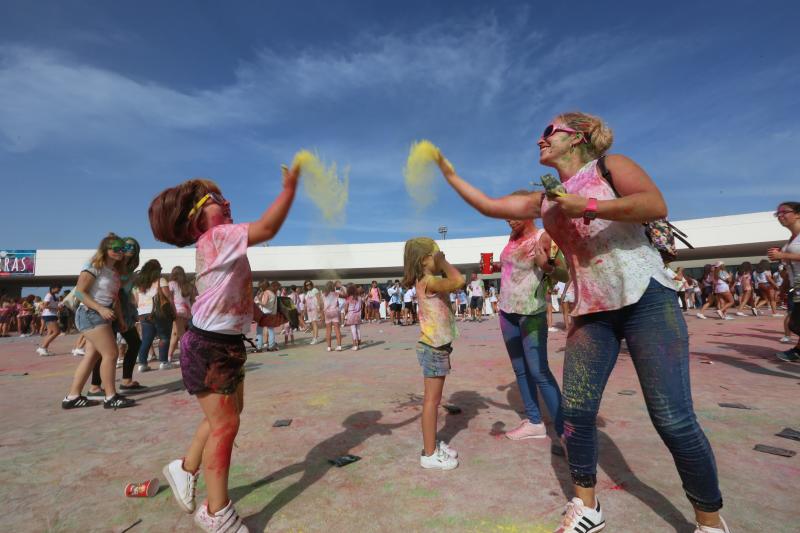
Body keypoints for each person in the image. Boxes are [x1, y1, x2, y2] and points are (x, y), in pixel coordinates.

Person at [435, 111, 729, 533]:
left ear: (577, 138)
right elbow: (488, 205)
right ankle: (587, 507)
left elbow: (653, 203)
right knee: (574, 413)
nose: (540, 140)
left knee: (672, 418)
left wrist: (585, 204)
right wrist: (449, 173)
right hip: (591, 310)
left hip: (647, 298)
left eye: (548, 132)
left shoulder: (610, 166)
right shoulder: (545, 199)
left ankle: (710, 522)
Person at [151, 165, 298, 532]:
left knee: (226, 417)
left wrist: (261, 317)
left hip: (225, 343)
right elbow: (267, 228)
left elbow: (230, 290)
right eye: (215, 199)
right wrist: (290, 189)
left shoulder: (220, 241)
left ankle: (183, 469)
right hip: (208, 346)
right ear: (194, 219)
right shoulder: (215, 237)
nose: (227, 201)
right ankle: (216, 513)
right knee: (226, 424)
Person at [497, 213, 566, 441]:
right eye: (506, 219)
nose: (508, 221)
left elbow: (565, 274)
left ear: (527, 213)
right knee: (520, 370)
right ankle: (535, 422)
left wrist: (545, 266)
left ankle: (565, 431)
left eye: (512, 217)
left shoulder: (543, 237)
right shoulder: (512, 238)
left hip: (531, 314)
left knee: (539, 371)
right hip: (507, 312)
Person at [402, 237, 464, 470]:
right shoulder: (429, 281)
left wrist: (438, 259)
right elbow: (458, 280)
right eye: (436, 254)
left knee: (433, 400)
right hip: (433, 347)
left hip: (437, 346)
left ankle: (432, 443)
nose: (441, 256)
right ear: (424, 260)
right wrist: (444, 261)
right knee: (432, 401)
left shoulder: (427, 280)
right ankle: (429, 453)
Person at [62, 233, 135, 410]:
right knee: (111, 354)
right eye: (115, 248)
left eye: (122, 248)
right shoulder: (94, 267)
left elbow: (115, 298)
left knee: (92, 356)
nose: (120, 252)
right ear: (105, 250)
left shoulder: (115, 272)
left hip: (102, 315)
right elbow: (80, 292)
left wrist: (121, 319)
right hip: (90, 314)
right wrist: (100, 309)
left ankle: (72, 397)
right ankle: (110, 397)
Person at [768, 202, 800, 361]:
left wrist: (783, 256)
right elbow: (790, 270)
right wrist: (783, 288)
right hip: (797, 287)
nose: (780, 216)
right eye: (777, 214)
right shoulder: (790, 241)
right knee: (795, 322)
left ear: (798, 214)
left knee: (795, 323)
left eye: (784, 212)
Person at [133, 259, 174, 371]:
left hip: (143, 314)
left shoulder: (138, 284)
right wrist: (173, 310)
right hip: (159, 312)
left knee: (146, 339)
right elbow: (169, 297)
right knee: (164, 337)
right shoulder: (161, 280)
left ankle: (142, 364)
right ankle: (163, 362)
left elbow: (136, 301)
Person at [168, 266, 196, 362]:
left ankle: (173, 357)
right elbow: (193, 300)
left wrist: (172, 311)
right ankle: (170, 356)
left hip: (177, 311)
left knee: (178, 334)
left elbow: (170, 299)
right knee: (179, 334)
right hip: (188, 312)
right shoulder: (189, 285)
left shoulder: (171, 284)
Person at [37, 285, 62, 355]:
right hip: (49, 315)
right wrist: (56, 308)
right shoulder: (49, 295)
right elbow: (44, 306)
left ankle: (44, 348)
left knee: (50, 332)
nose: (59, 290)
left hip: (51, 315)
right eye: (58, 288)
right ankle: (43, 348)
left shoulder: (54, 296)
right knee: (57, 332)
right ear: (53, 288)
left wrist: (58, 307)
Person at [322, 281, 342, 351]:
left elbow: (322, 303)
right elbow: (340, 290)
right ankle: (339, 346)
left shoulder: (324, 294)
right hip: (335, 311)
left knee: (328, 331)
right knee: (337, 329)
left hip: (327, 312)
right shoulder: (336, 293)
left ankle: (329, 347)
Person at [344, 283, 363, 350]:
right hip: (358, 315)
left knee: (353, 330)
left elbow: (346, 308)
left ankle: (355, 345)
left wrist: (345, 314)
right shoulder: (359, 298)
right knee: (358, 329)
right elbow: (361, 307)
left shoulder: (348, 298)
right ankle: (359, 340)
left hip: (351, 315)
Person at [304, 280, 323, 344]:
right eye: (306, 285)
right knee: (312, 324)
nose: (308, 286)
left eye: (309, 284)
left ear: (311, 284)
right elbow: (306, 302)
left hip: (314, 309)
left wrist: (319, 308)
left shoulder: (315, 290)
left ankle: (315, 338)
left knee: (314, 323)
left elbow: (319, 299)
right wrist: (305, 311)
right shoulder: (308, 292)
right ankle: (314, 337)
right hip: (309, 310)